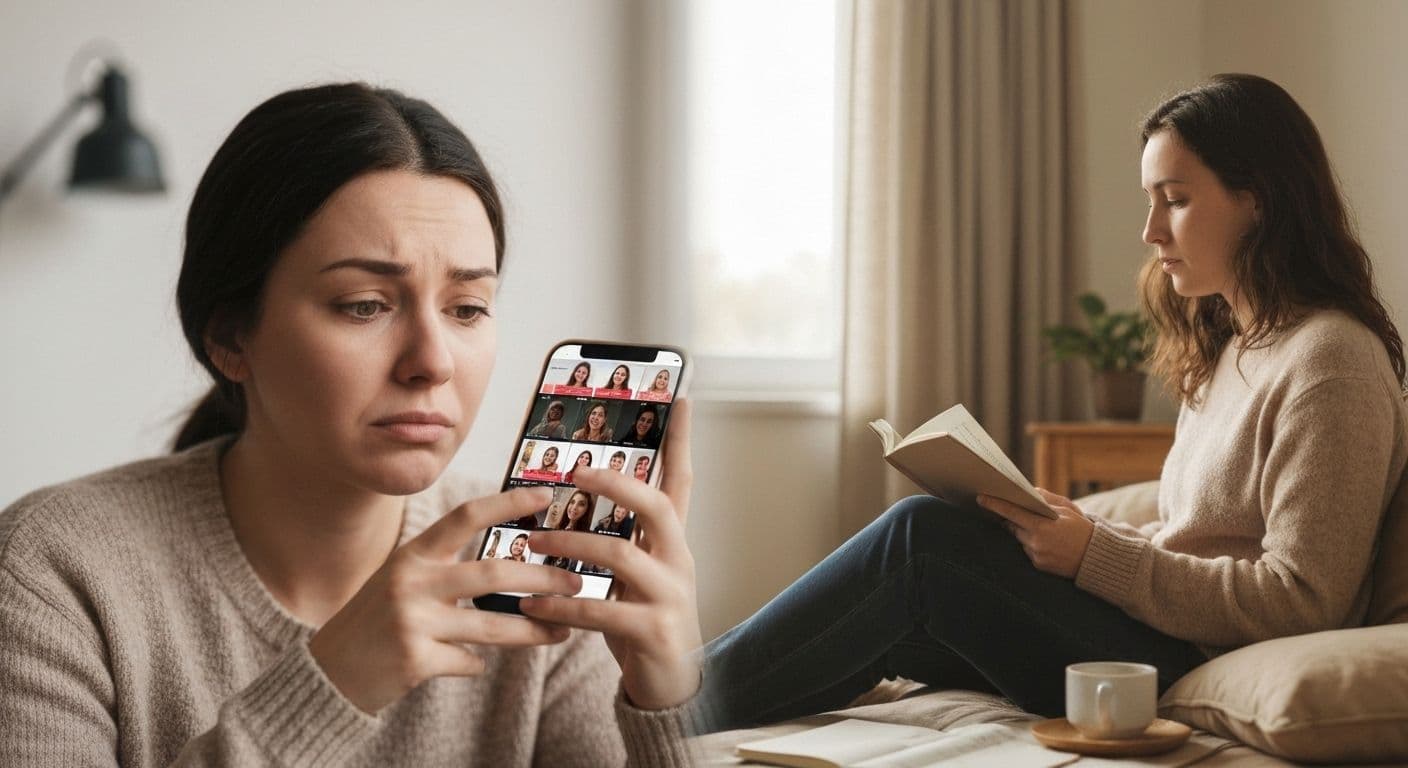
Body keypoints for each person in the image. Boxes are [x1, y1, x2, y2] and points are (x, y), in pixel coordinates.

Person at [0, 82, 701, 766]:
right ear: (230, 338)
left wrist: (667, 711)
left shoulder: (538, 567)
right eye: (364, 304)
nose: (432, 362)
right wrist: (331, 687)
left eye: (466, 309)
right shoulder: (52, 572)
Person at [692, 73, 1408, 733]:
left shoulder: (1331, 360)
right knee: (889, 610)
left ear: (1259, 200)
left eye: (1177, 200)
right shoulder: (1233, 349)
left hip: (1177, 655)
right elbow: (1198, 536)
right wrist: (1071, 533)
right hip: (1152, 627)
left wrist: (1097, 556)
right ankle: (683, 704)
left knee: (921, 540)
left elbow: (1304, 600)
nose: (1151, 231)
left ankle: (661, 713)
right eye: (1150, 201)